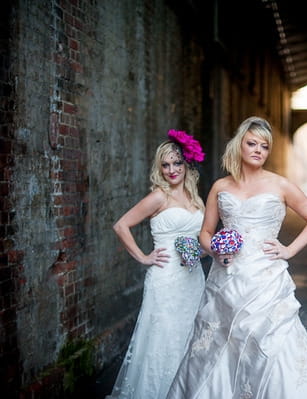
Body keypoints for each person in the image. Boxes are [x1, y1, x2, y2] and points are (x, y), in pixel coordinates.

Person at [167, 116, 307, 399]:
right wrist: (217, 250)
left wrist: (289, 250)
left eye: (265, 146)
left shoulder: (280, 185)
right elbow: (205, 233)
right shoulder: (221, 187)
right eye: (252, 143)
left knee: (269, 342)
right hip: (226, 279)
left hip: (266, 279)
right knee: (221, 343)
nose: (258, 150)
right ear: (239, 146)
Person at [107, 130, 206, 399]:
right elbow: (121, 225)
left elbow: (200, 241)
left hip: (193, 278)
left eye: (177, 163)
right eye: (165, 164)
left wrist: (206, 250)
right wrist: (143, 257)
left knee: (190, 335)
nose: (172, 170)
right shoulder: (159, 197)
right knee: (164, 338)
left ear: (187, 165)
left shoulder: (195, 199)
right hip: (165, 278)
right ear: (159, 168)